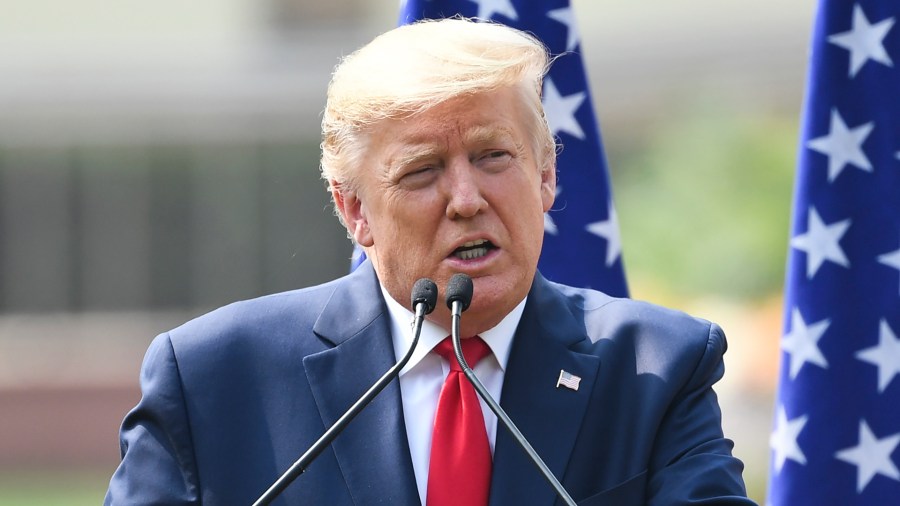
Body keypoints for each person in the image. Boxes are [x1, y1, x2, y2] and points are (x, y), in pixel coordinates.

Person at [105, 18, 755, 505]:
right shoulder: (213, 380)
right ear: (354, 208)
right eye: (422, 172)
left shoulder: (655, 370)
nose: (467, 200)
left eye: (494, 156)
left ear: (548, 175)